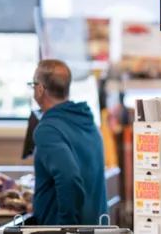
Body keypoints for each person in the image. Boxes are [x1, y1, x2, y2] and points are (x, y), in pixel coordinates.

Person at [30, 59, 108, 225]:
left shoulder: (48, 129)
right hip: (95, 224)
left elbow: (69, 178)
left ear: (40, 89)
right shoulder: (87, 122)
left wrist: (66, 227)